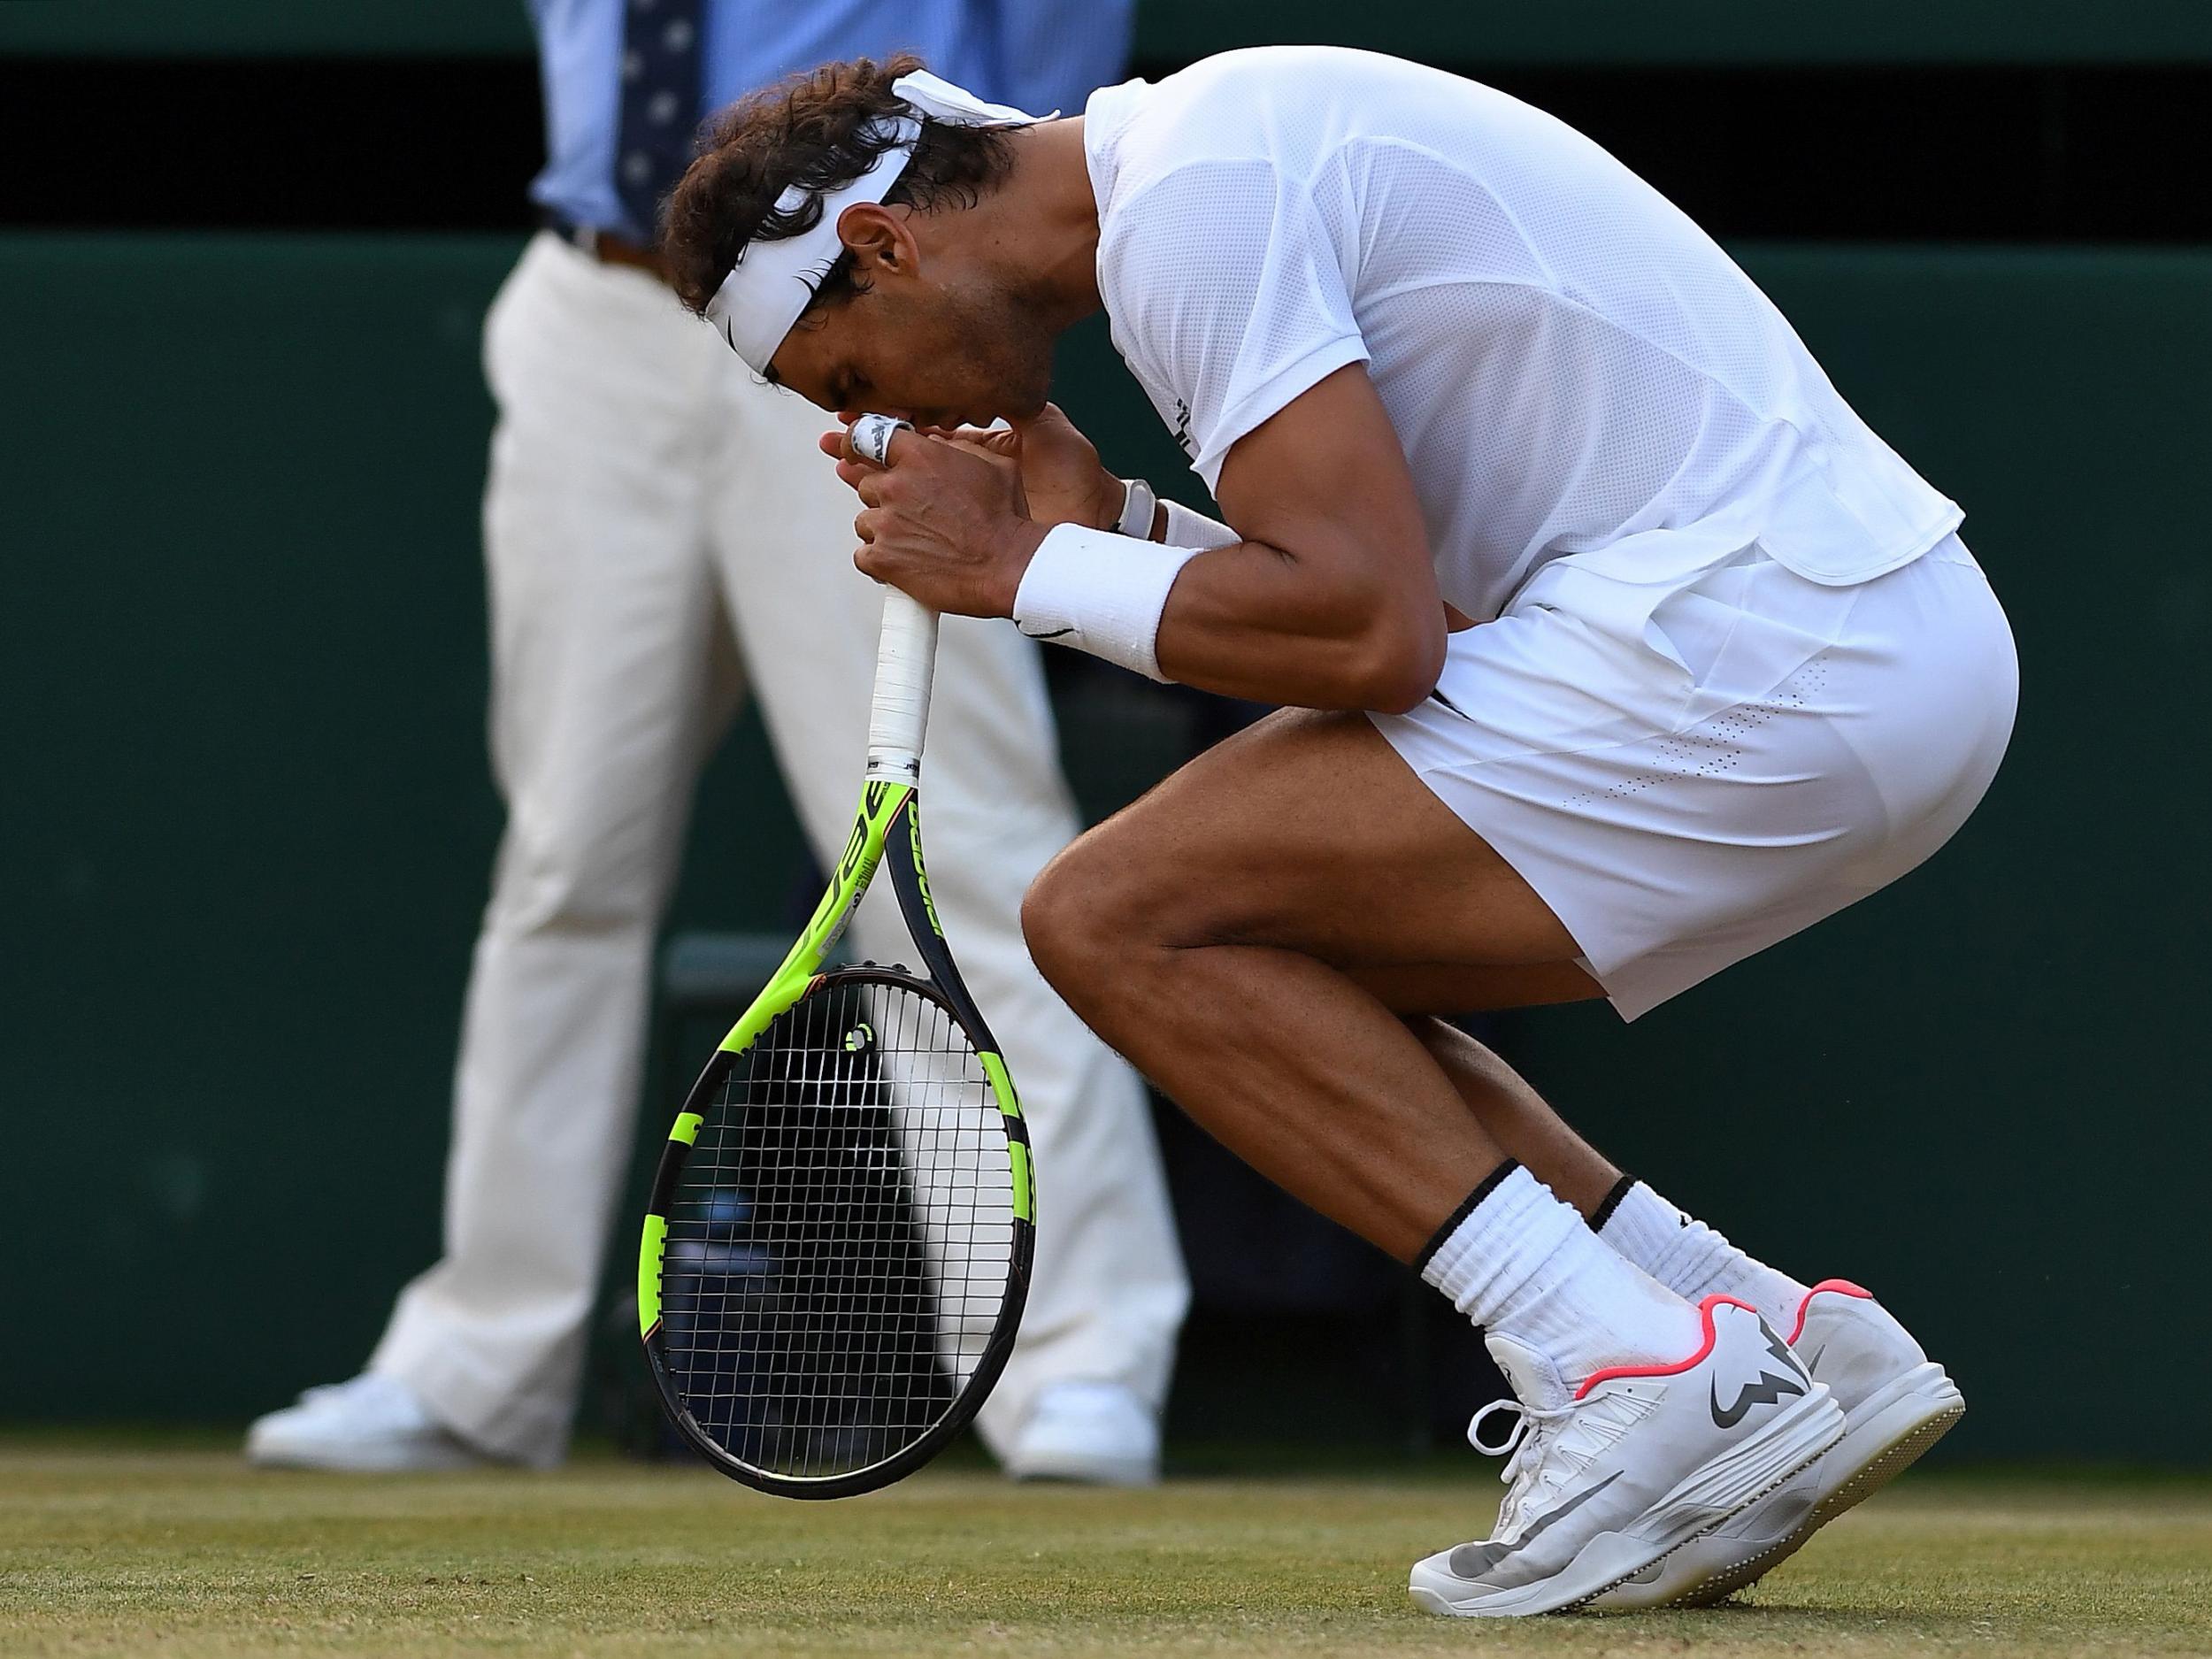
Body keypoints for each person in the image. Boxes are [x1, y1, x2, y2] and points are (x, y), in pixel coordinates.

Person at [654, 48, 2016, 1615]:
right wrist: (1110, 539)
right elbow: (1412, 613)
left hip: (1770, 657)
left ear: (884, 248)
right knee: (1232, 934)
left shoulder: (1195, 207)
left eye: (847, 376)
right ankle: (1758, 1331)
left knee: (1110, 918)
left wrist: (1015, 575)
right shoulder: (1211, 159)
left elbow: (1374, 639)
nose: (882, 417)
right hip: (1872, 656)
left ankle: (1635, 1369)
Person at [245, 2, 1188, 1486]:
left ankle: (1077, 1360)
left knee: (963, 860)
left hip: (866, 289)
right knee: (563, 862)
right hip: (591, 315)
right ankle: (478, 1366)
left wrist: (980, 276)